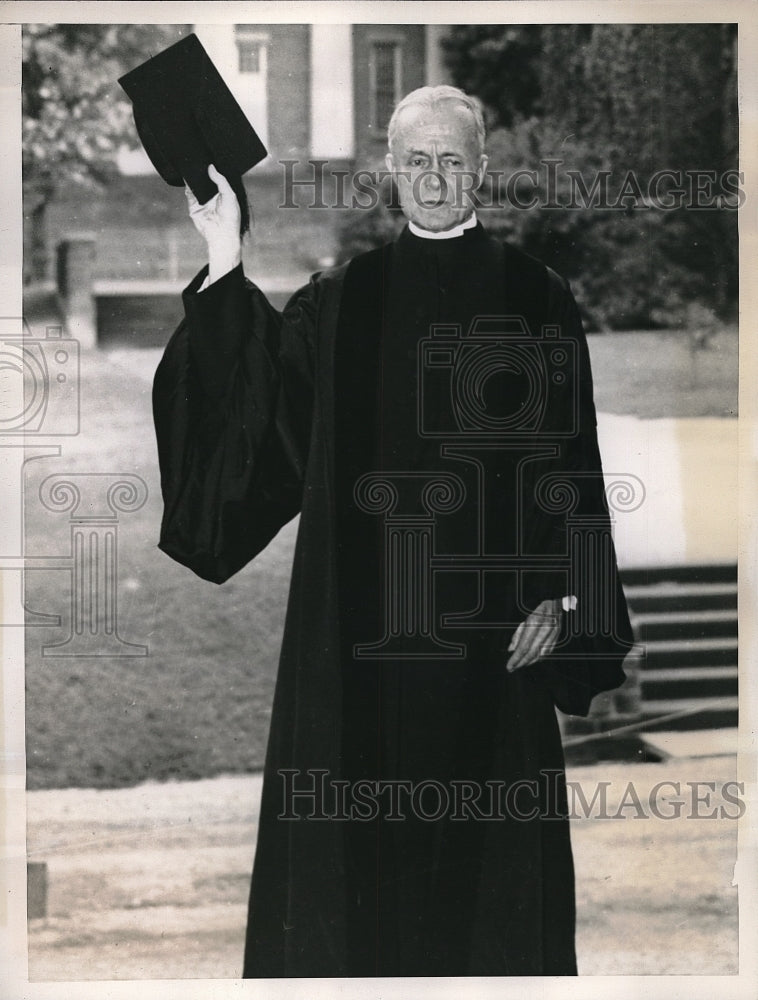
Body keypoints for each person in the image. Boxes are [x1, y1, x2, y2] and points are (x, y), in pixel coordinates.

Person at [152, 85, 633, 977]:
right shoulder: (340, 304)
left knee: (488, 921)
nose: (437, 178)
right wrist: (225, 249)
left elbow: (574, 469)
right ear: (390, 171)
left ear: (482, 170)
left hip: (498, 658)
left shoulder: (537, 299)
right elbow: (261, 433)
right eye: (419, 161)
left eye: (454, 160)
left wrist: (565, 602)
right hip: (357, 660)